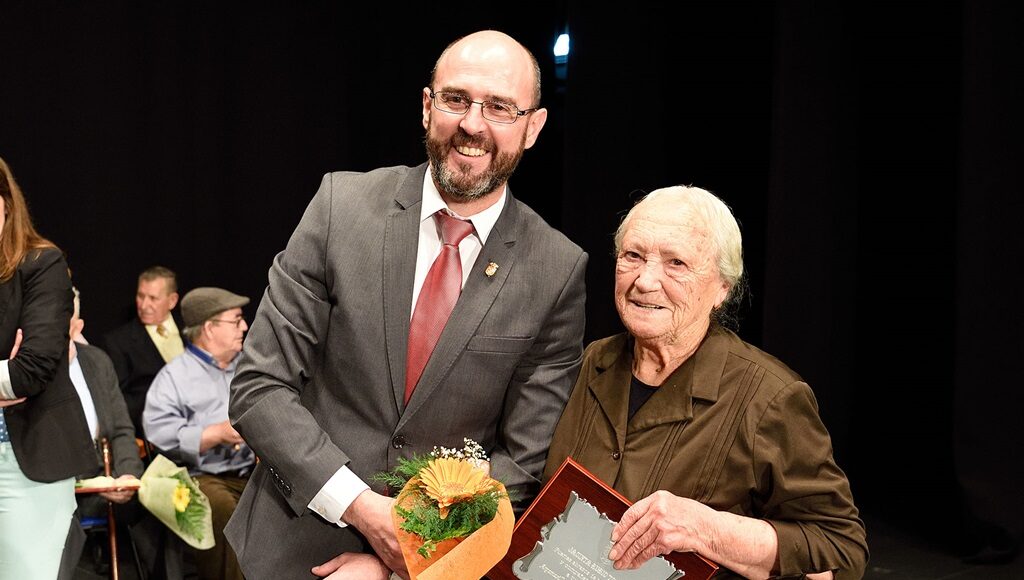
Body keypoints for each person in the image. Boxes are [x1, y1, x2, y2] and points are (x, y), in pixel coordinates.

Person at [225, 30, 587, 579]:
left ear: (533, 128)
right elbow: (259, 386)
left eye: (499, 108)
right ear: (426, 106)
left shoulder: (556, 269)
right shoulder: (340, 208)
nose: (473, 124)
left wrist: (404, 556)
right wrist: (364, 511)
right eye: (456, 99)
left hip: (435, 567)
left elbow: (522, 462)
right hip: (290, 550)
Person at [543, 186, 868, 579]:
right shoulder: (589, 362)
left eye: (676, 263)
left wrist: (705, 529)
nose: (645, 280)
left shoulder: (770, 398)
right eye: (633, 256)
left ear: (722, 288)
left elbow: (840, 547)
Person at [0, 156, 98, 579]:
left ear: (6, 202)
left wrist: (14, 374)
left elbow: (31, 370)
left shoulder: (41, 263)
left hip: (23, 463)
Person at [59, 286, 184, 580]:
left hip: (107, 476)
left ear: (77, 326)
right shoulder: (33, 369)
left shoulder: (97, 361)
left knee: (166, 502)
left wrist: (128, 475)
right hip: (63, 484)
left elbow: (122, 429)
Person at [144, 286, 254, 580]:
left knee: (290, 500)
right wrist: (214, 433)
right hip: (199, 477)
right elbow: (158, 432)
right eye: (236, 320)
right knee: (219, 506)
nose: (245, 327)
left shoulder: (248, 369)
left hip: (252, 472)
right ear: (209, 328)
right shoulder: (174, 376)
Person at [99, 265, 184, 437]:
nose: (144, 305)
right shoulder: (118, 342)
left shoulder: (191, 330)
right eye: (140, 296)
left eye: (153, 298)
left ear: (172, 300)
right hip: (155, 431)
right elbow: (119, 402)